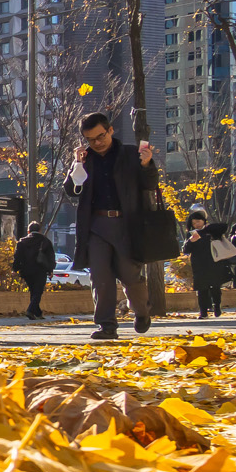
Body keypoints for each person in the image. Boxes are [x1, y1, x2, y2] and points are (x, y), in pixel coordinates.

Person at [63, 112, 158, 341]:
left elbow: (150, 184)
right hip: (95, 226)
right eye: (91, 139)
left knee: (130, 275)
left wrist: (146, 164)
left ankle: (142, 311)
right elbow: (71, 191)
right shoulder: (85, 159)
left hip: (127, 225)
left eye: (100, 136)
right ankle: (106, 325)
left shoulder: (129, 154)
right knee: (100, 277)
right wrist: (77, 166)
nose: (97, 143)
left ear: (110, 131)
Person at [181, 209, 229, 319]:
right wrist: (191, 241)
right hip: (199, 265)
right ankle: (203, 312)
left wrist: (207, 228)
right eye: (193, 223)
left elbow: (223, 227)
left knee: (215, 287)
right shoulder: (191, 234)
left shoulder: (211, 231)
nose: (196, 224)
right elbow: (186, 250)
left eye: (198, 221)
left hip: (214, 262)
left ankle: (217, 305)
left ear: (203, 221)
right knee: (201, 288)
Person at [12, 221, 56, 319]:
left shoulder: (22, 242)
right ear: (40, 230)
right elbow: (50, 257)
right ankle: (30, 310)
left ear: (28, 231)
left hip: (26, 270)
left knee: (33, 291)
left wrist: (15, 269)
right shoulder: (45, 241)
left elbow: (17, 257)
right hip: (40, 270)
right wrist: (50, 270)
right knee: (38, 291)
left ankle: (38, 313)